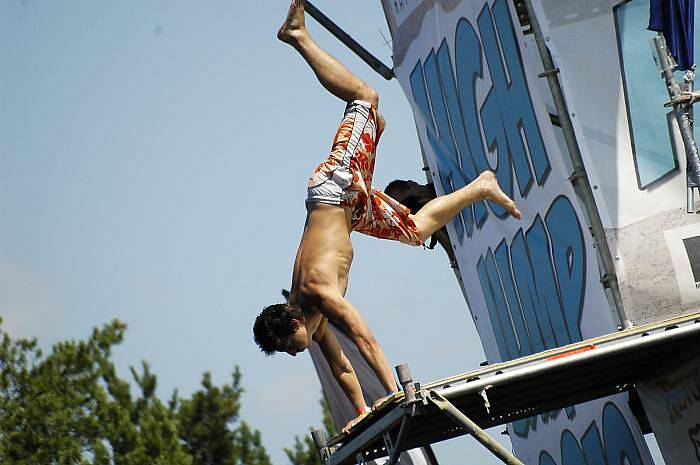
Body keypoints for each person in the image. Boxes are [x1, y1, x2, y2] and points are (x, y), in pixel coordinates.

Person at [253, 0, 522, 433]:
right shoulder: (314, 322)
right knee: (416, 230)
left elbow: (364, 339)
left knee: (366, 97)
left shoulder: (316, 294)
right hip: (353, 210)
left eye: (288, 347)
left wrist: (395, 391)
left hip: (337, 188)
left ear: (293, 323)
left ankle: (297, 37)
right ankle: (481, 187)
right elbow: (342, 367)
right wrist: (360, 414)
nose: (293, 354)